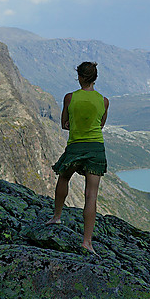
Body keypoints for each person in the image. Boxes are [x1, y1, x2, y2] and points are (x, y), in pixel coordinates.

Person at [46, 61, 109, 254]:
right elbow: (100, 126)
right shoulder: (104, 101)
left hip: (75, 146)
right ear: (95, 78)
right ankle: (87, 242)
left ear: (80, 77)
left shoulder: (69, 98)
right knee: (91, 195)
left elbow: (64, 124)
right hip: (96, 148)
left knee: (64, 177)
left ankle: (57, 216)